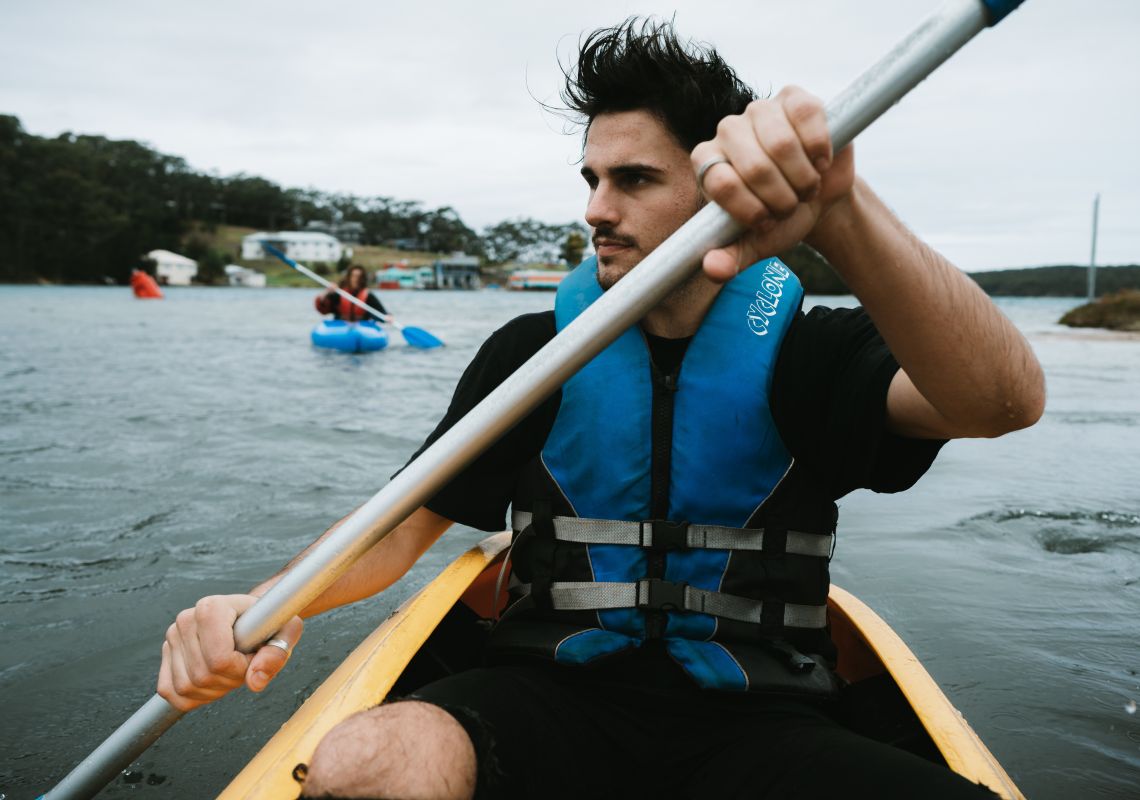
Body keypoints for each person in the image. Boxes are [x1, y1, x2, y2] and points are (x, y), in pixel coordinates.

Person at [157, 19, 1045, 800]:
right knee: (365, 763)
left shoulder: (815, 354)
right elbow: (394, 532)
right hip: (546, 695)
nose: (595, 209)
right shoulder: (532, 353)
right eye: (590, 177)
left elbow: (1002, 400)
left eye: (633, 179)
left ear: (719, 187)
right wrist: (256, 606)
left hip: (764, 719)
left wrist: (840, 212)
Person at [315, 264, 389, 321]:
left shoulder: (368, 295)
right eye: (354, 276)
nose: (356, 279)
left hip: (362, 325)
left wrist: (387, 317)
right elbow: (323, 309)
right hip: (340, 325)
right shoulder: (338, 293)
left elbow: (382, 313)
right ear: (348, 277)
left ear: (363, 279)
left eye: (359, 277)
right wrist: (326, 292)